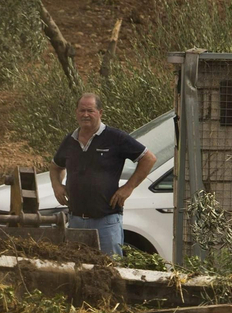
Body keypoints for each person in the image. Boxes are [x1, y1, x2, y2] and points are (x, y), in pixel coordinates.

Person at [49, 92, 155, 256]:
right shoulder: (70, 140)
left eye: (90, 110)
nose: (85, 115)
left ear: (100, 112)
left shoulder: (115, 138)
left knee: (111, 270)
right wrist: (57, 186)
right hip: (76, 220)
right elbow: (56, 167)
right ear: (76, 112)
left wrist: (128, 188)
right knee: (78, 271)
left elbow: (148, 159)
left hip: (106, 221)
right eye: (82, 110)